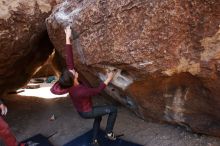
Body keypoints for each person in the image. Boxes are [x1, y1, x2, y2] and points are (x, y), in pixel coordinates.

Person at [50, 26, 118, 146]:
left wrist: (67, 36)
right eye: (73, 72)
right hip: (87, 112)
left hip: (82, 110)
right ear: (74, 78)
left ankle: (94, 141)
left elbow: (69, 59)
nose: (74, 70)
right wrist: (109, 78)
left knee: (99, 117)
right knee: (113, 109)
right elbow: (97, 91)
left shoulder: (70, 83)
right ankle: (108, 132)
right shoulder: (80, 91)